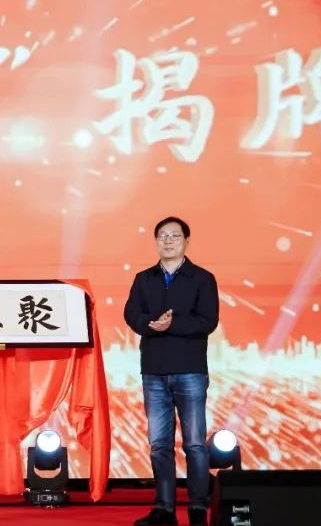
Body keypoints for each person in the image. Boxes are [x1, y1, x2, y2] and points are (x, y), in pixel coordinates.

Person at [124, 216, 219, 526]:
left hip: (190, 370)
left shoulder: (202, 278)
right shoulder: (144, 279)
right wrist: (150, 324)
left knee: (194, 443)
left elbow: (208, 321)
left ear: (186, 242)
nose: (168, 241)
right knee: (159, 445)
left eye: (175, 236)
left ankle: (198, 508)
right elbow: (131, 313)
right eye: (162, 236)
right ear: (156, 241)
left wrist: (172, 324)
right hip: (153, 371)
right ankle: (164, 509)